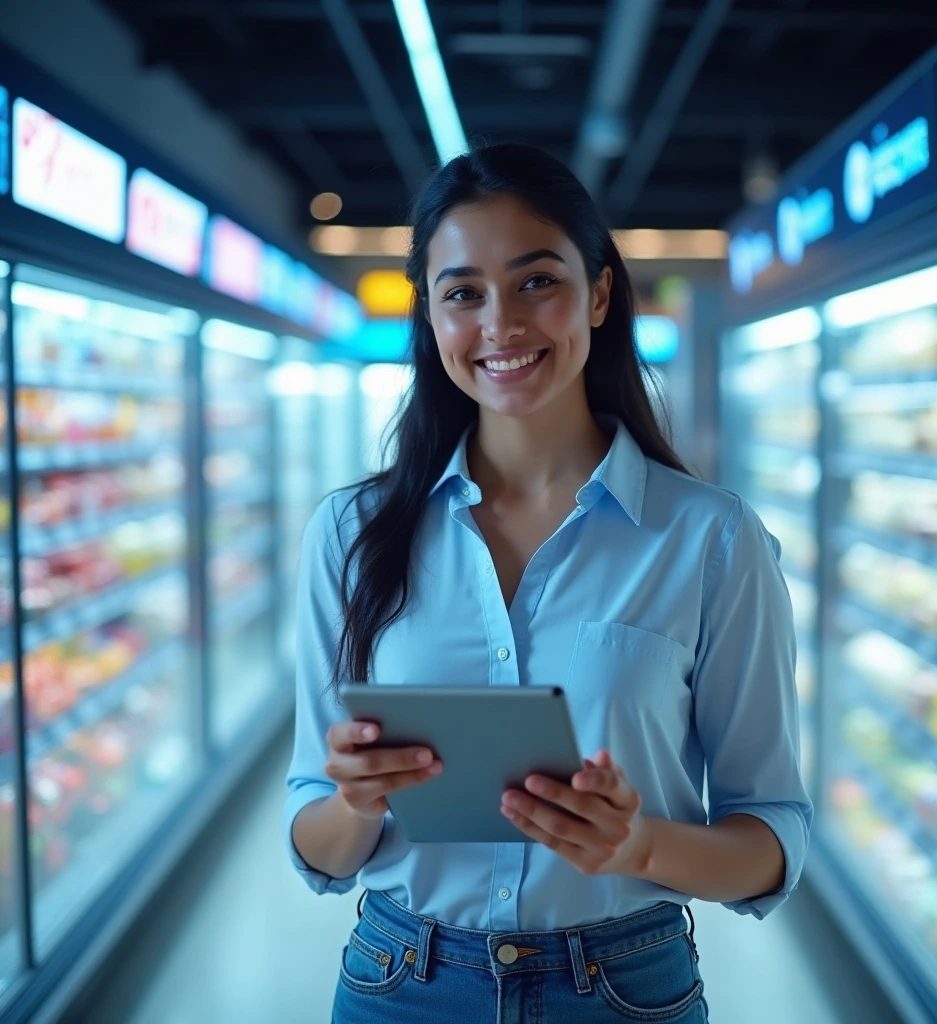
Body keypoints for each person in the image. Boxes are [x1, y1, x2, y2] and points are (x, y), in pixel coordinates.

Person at [285, 142, 812, 1024]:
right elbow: (316, 841)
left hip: (623, 987)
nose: (500, 324)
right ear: (430, 315)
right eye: (462, 293)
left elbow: (772, 837)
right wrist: (354, 799)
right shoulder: (351, 534)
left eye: (536, 282)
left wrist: (638, 843)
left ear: (598, 293)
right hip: (396, 983)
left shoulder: (712, 540)